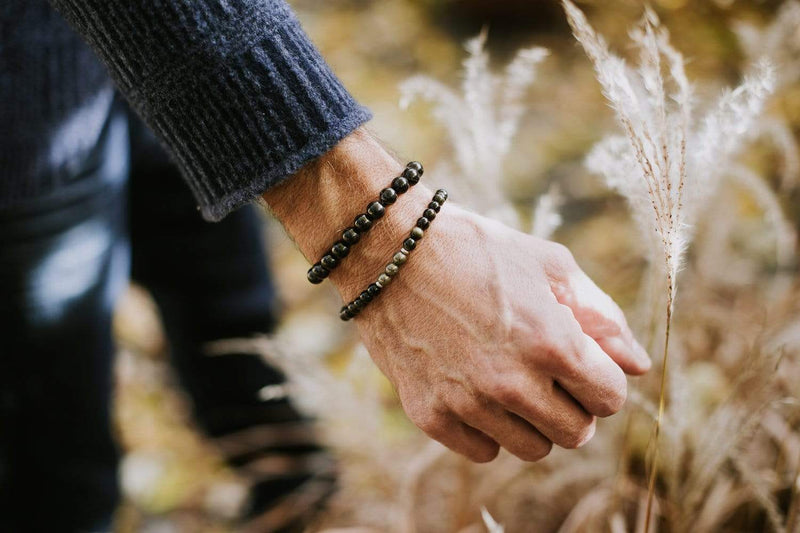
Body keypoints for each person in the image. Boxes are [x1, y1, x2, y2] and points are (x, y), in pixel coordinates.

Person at [0, 0, 652, 531]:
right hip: (24, 107)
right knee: (59, 453)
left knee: (227, 294)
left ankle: (288, 481)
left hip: (174, 55)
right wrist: (382, 235)